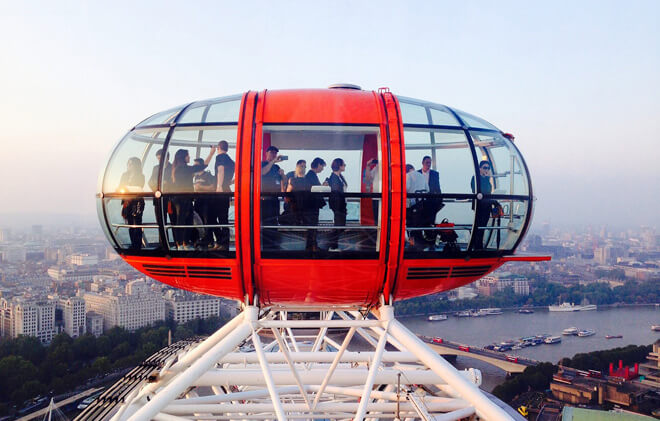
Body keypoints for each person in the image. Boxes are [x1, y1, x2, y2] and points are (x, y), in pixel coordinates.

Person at [170, 147, 216, 250]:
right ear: (183, 157)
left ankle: (183, 244)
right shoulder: (182, 168)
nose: (189, 157)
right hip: (183, 199)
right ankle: (181, 244)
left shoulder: (178, 168)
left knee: (186, 221)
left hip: (183, 198)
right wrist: (211, 154)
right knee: (183, 221)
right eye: (188, 155)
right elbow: (202, 167)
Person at [210, 140, 235, 250]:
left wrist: (219, 186)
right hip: (226, 190)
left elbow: (221, 170)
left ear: (218, 147)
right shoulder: (231, 161)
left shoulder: (220, 157)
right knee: (223, 218)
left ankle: (220, 241)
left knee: (211, 217)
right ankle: (223, 243)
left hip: (220, 191)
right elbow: (229, 178)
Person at [261, 145, 286, 249]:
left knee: (274, 221)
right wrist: (273, 161)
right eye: (271, 152)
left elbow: (283, 181)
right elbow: (263, 172)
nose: (273, 154)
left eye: (275, 153)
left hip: (275, 199)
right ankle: (266, 246)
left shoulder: (276, 167)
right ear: (266, 153)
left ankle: (273, 244)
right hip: (265, 199)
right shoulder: (262, 164)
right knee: (266, 222)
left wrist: (283, 174)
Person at [119, 157, 145, 249]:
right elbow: (121, 186)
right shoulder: (124, 175)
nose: (129, 166)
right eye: (128, 164)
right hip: (127, 202)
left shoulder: (141, 176)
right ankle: (133, 243)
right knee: (130, 224)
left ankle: (137, 244)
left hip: (137, 202)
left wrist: (128, 188)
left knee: (137, 223)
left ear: (136, 165)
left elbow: (139, 187)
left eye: (131, 164)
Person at [192, 158, 216, 248]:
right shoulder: (196, 177)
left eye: (195, 165)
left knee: (207, 221)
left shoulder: (208, 175)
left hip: (207, 202)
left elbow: (213, 188)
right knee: (199, 221)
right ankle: (201, 239)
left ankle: (210, 240)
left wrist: (200, 187)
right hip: (198, 201)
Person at [471, 160, 494, 249]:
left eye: (488, 168)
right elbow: (477, 191)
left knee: (483, 227)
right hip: (479, 207)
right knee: (479, 226)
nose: (486, 170)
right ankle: (477, 246)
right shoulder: (476, 178)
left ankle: (479, 245)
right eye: (485, 168)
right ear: (480, 169)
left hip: (486, 206)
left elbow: (488, 192)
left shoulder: (487, 179)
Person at [304, 157, 326, 251]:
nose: (322, 168)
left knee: (312, 227)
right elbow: (313, 189)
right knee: (312, 226)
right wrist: (322, 186)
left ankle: (311, 246)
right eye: (322, 166)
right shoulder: (311, 175)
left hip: (311, 205)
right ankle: (312, 247)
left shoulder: (311, 175)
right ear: (318, 165)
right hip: (312, 205)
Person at [405, 164, 428, 250]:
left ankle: (412, 243)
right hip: (421, 204)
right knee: (418, 224)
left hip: (411, 204)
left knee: (410, 224)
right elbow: (427, 189)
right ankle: (419, 244)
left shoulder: (408, 176)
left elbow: (406, 188)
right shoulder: (421, 175)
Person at [328, 158, 347, 251]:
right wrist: (339, 207)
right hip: (338, 205)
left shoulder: (339, 177)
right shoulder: (334, 178)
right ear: (339, 166)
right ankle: (332, 246)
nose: (345, 166)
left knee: (340, 226)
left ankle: (332, 244)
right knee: (338, 226)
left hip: (341, 205)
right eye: (344, 164)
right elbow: (336, 193)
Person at [285, 160, 309, 229]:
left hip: (304, 206)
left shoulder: (307, 180)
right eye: (301, 166)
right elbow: (287, 194)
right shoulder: (292, 179)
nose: (303, 168)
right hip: (294, 206)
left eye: (304, 166)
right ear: (297, 167)